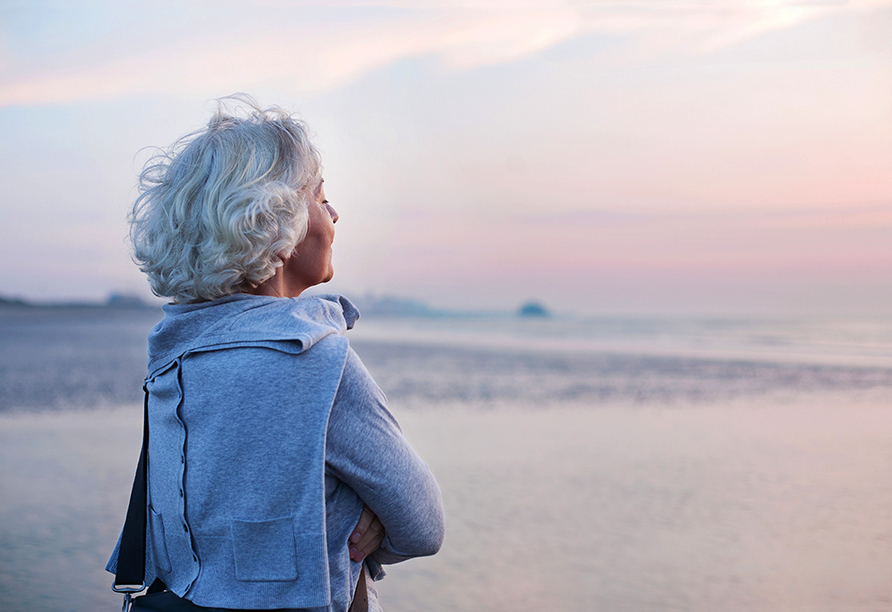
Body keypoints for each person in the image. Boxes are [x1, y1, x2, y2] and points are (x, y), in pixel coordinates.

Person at [106, 95, 445, 612]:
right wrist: (363, 525)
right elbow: (424, 525)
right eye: (321, 195)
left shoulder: (174, 358)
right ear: (274, 217)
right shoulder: (316, 360)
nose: (334, 212)